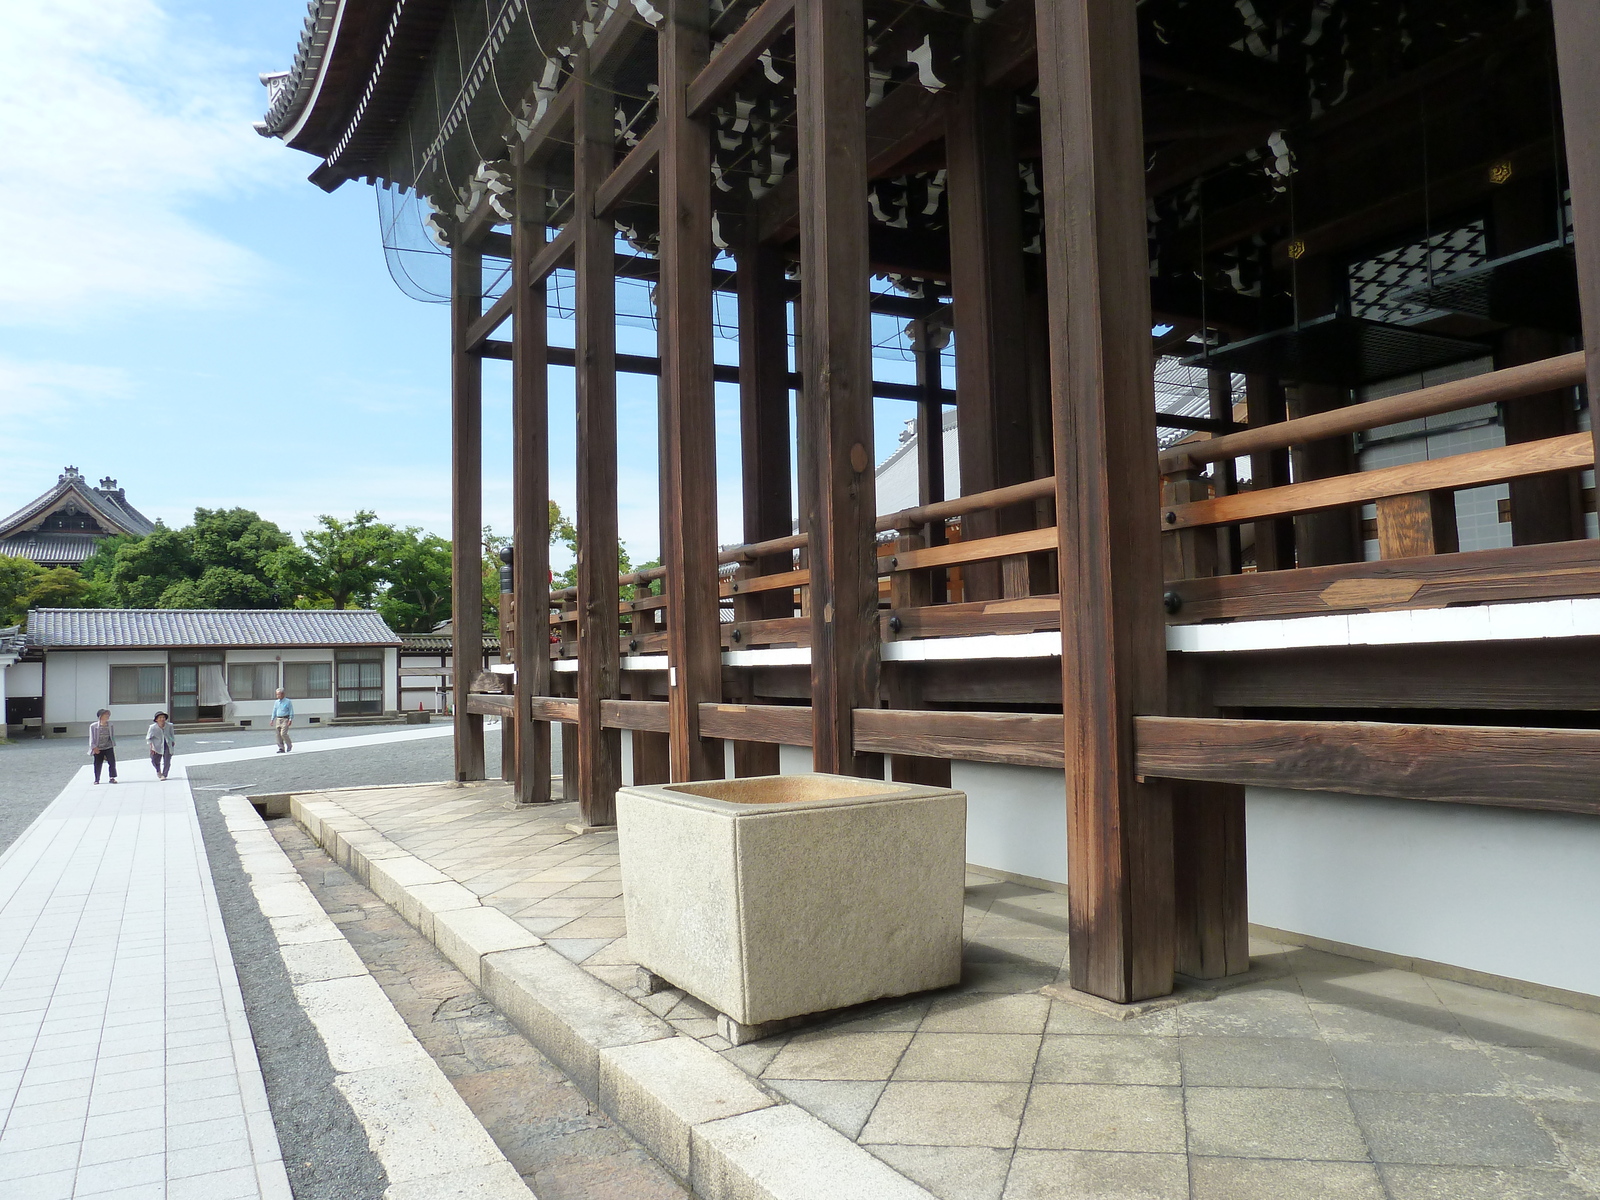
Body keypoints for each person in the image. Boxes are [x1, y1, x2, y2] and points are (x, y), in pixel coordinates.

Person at [88, 709, 118, 784]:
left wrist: (113, 743)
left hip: (108, 746)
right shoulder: (93, 726)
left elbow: (112, 735)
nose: (107, 716)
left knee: (112, 762)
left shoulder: (110, 725)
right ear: (100, 716)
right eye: (105, 715)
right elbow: (91, 738)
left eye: (108, 715)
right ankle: (97, 779)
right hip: (98, 747)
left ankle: (112, 777)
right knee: (97, 763)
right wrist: (94, 747)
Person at [147, 711, 175, 781]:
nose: (162, 719)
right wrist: (152, 747)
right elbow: (148, 738)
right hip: (156, 745)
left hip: (167, 744)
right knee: (154, 759)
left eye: (163, 717)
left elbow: (172, 735)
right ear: (156, 719)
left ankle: (164, 775)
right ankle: (158, 771)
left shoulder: (169, 726)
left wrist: (173, 741)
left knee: (167, 761)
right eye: (160, 718)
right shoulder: (152, 727)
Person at [271, 688, 294, 753]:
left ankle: (289, 745)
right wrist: (272, 719)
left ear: (283, 694)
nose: (277, 696)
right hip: (278, 719)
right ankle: (281, 748)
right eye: (277, 694)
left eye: (279, 694)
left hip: (285, 719)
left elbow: (291, 711)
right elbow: (274, 711)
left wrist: (290, 719)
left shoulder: (288, 701)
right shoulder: (276, 702)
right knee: (278, 734)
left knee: (283, 733)